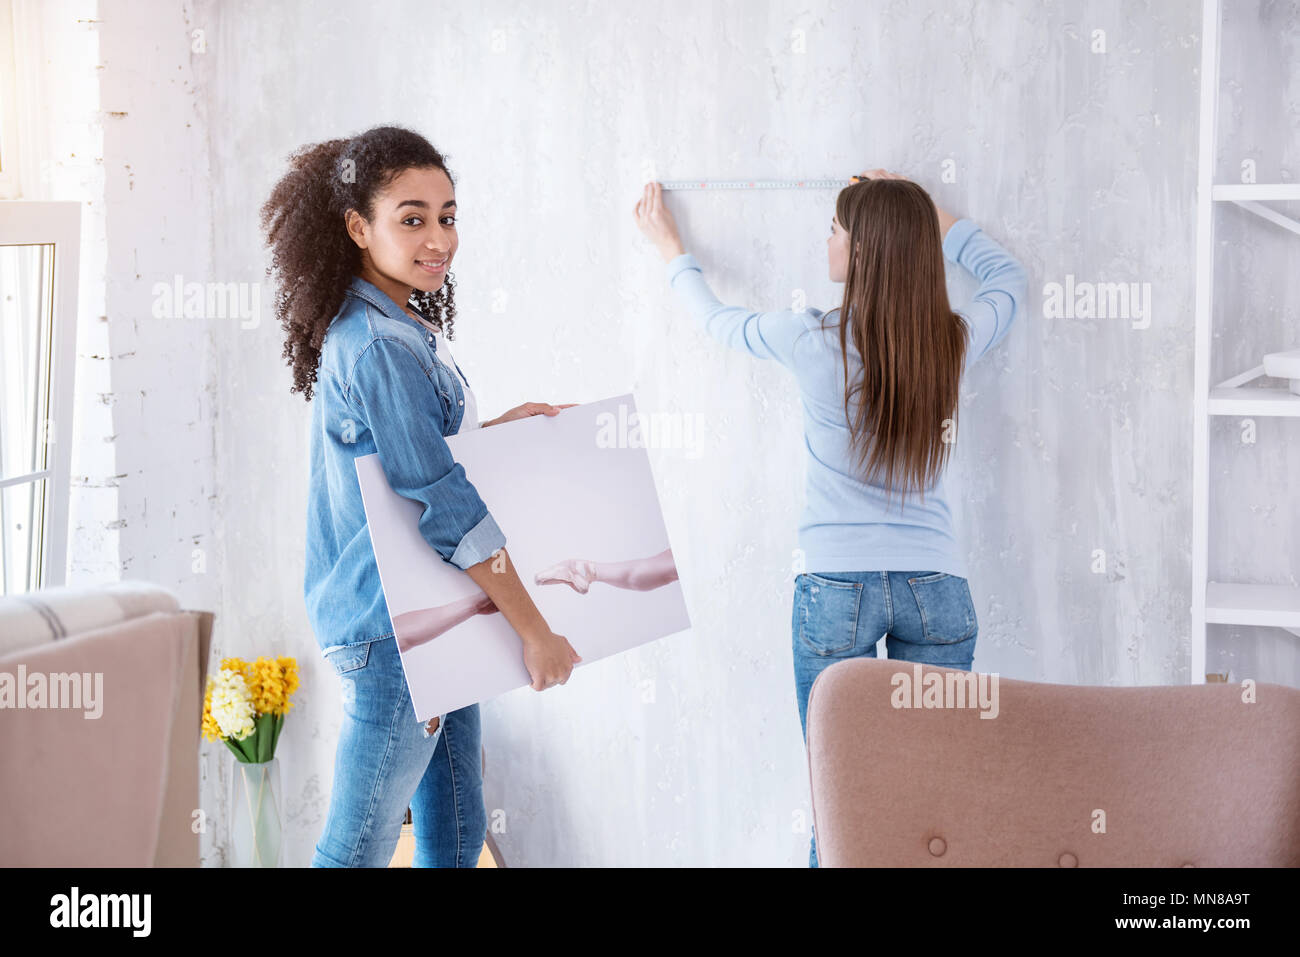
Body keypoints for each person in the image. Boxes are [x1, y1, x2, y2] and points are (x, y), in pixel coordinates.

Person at [633, 169, 1028, 867]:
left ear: (863, 253)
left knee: (840, 802)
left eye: (836, 231)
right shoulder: (951, 342)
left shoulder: (807, 339)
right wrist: (933, 217)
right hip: (937, 590)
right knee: (928, 803)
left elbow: (716, 321)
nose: (827, 242)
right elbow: (1008, 280)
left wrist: (671, 249)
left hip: (833, 591)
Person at [263, 124, 581, 867]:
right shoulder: (377, 345)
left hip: (432, 613)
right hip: (393, 632)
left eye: (447, 216)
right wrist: (534, 628)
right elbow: (443, 503)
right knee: (359, 848)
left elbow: (412, 456)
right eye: (412, 218)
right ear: (357, 228)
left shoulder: (393, 322)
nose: (439, 237)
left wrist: (499, 429)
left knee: (458, 828)